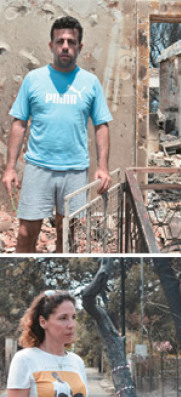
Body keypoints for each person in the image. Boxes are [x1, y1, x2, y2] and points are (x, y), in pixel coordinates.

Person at [3, 16, 113, 254]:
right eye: (60, 41)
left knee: (67, 238)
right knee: (25, 235)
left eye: (71, 41)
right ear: (51, 45)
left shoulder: (90, 83)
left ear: (79, 47)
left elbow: (101, 125)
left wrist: (103, 166)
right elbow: (19, 123)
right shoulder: (34, 80)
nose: (65, 46)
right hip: (38, 168)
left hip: (74, 171)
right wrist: (10, 168)